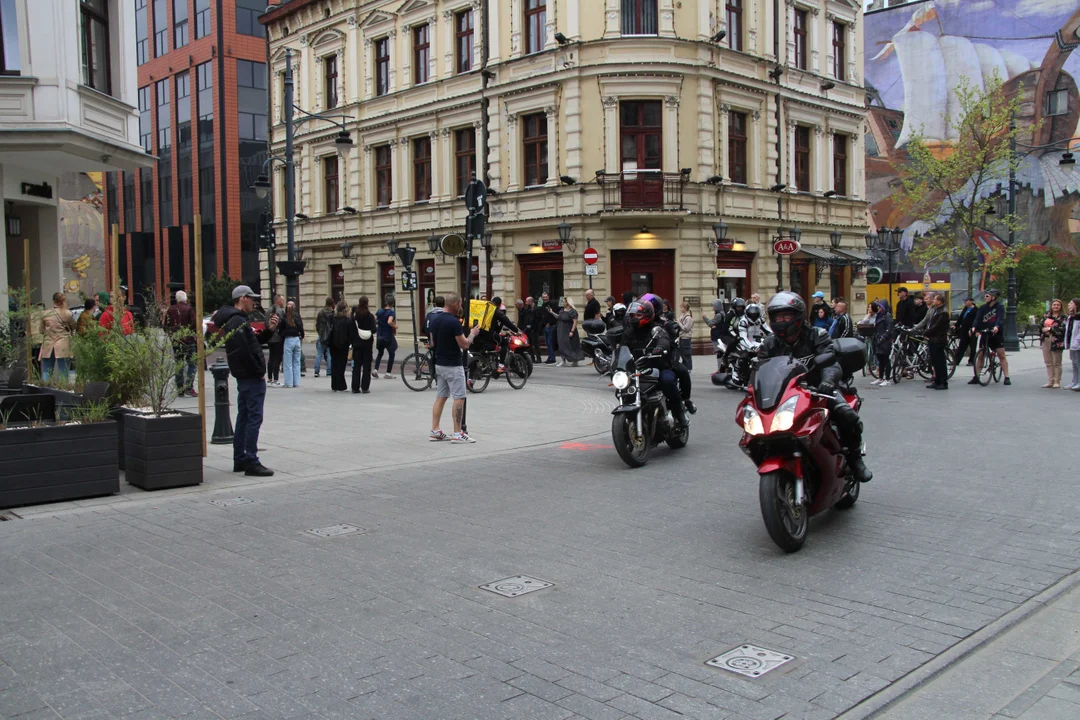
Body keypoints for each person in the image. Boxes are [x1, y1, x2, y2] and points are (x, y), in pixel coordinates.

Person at [759, 292, 872, 484]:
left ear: (798, 316)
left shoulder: (817, 335)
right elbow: (760, 367)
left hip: (818, 390)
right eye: (777, 317)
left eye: (786, 316)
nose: (781, 320)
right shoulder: (770, 343)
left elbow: (831, 362)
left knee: (846, 415)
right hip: (785, 394)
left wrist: (827, 381)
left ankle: (854, 458)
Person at [211, 285, 278, 477]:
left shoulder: (235, 320)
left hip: (244, 376)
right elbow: (244, 351)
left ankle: (240, 458)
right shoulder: (238, 321)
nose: (254, 302)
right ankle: (251, 460)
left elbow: (252, 343)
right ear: (242, 299)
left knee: (244, 416)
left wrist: (268, 330)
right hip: (250, 377)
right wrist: (258, 371)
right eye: (251, 298)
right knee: (253, 418)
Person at [623, 299, 689, 427]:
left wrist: (660, 348)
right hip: (638, 369)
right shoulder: (629, 332)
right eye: (632, 315)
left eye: (638, 315)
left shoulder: (657, 328)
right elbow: (622, 348)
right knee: (623, 388)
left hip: (658, 366)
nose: (634, 318)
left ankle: (679, 413)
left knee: (668, 380)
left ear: (647, 315)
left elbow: (663, 339)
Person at [429, 293, 481, 443]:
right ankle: (458, 433)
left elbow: (432, 342)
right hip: (452, 364)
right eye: (460, 303)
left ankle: (435, 430)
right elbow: (464, 344)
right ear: (455, 304)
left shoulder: (434, 319)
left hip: (439, 363)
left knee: (441, 396)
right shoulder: (453, 322)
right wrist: (472, 334)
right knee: (459, 398)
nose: (461, 306)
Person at [970, 288, 1011, 386]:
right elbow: (977, 318)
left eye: (987, 296)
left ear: (993, 297)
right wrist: (974, 327)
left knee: (1001, 354)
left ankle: (1007, 376)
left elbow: (1000, 318)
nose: (985, 297)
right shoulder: (982, 308)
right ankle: (977, 376)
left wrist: (997, 326)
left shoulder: (999, 307)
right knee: (980, 355)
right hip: (985, 332)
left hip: (996, 333)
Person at [165, 290, 199, 396]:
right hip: (188, 340)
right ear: (185, 299)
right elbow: (195, 324)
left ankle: (180, 388)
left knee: (179, 364)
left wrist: (171, 334)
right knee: (192, 363)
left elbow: (165, 324)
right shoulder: (189, 309)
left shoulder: (170, 310)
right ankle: (189, 387)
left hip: (176, 340)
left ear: (176, 299)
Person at [475, 296, 521, 370]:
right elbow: (507, 322)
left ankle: (488, 364)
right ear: (499, 305)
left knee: (488, 347)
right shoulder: (495, 311)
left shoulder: (485, 309)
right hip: (490, 333)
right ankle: (501, 365)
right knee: (505, 342)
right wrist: (516, 330)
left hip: (479, 332)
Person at [38, 293, 76, 383]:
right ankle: (62, 390)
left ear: (53, 301)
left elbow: (41, 330)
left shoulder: (45, 314)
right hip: (63, 344)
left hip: (48, 344)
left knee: (46, 370)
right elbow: (74, 326)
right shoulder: (67, 313)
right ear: (63, 301)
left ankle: (45, 390)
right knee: (63, 371)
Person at [327, 300, 355, 392]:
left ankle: (334, 385)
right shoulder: (347, 320)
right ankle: (341, 385)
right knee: (341, 365)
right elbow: (351, 333)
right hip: (343, 344)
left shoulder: (332, 318)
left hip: (332, 343)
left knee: (334, 363)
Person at [924, 293, 951, 390]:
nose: (933, 301)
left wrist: (926, 332)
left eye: (935, 299)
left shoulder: (943, 312)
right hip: (933, 339)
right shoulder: (936, 310)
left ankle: (943, 382)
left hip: (938, 339)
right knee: (935, 361)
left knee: (940, 362)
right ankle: (937, 380)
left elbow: (937, 326)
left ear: (939, 301)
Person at [1040, 299, 1067, 389]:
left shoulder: (1063, 317)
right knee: (1048, 362)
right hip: (1046, 340)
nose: (1055, 306)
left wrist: (1049, 329)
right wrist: (1044, 330)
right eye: (1054, 305)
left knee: (1057, 362)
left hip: (1057, 341)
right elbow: (1041, 326)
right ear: (1051, 306)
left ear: (1060, 306)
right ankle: (1050, 381)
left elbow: (1062, 329)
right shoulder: (1046, 315)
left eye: (1058, 305)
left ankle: (1057, 381)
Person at [352, 296, 377, 393]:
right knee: (367, 366)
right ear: (367, 303)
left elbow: (351, 327)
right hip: (367, 343)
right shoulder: (370, 316)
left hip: (357, 343)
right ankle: (365, 387)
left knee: (357, 366)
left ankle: (355, 387)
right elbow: (374, 329)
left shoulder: (355, 315)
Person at [869, 300, 895, 388]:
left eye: (880, 306)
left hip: (885, 341)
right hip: (878, 339)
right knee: (880, 360)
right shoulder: (879, 315)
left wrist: (883, 337)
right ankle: (880, 378)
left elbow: (889, 328)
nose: (878, 308)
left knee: (885, 359)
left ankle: (887, 379)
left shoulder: (887, 316)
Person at [279, 300, 304, 388]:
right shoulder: (297, 316)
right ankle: (296, 382)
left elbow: (280, 330)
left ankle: (289, 383)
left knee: (288, 362)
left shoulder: (284, 317)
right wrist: (302, 336)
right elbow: (301, 327)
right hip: (297, 339)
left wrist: (282, 336)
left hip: (288, 339)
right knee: (296, 362)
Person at [374, 294, 399, 379]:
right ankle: (388, 373)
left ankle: (375, 370)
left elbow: (374, 319)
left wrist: (378, 324)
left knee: (380, 353)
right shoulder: (391, 312)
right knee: (391, 354)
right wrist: (394, 326)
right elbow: (389, 321)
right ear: (393, 303)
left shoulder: (380, 311)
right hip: (387, 336)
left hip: (379, 335)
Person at [555, 297, 584, 367]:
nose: (563, 303)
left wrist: (572, 331)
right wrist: (551, 312)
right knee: (562, 345)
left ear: (567, 303)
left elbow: (575, 322)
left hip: (569, 329)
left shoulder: (573, 311)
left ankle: (575, 360)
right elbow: (558, 317)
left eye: (564, 302)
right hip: (561, 330)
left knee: (572, 345)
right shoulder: (562, 310)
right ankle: (563, 360)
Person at [266, 294, 285, 387]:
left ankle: (269, 379)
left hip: (270, 337)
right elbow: (282, 324)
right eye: (282, 300)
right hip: (277, 338)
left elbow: (266, 324)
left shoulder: (268, 310)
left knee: (271, 358)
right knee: (277, 358)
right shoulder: (280, 311)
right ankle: (276, 379)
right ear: (278, 301)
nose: (283, 302)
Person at [953, 297, 979, 366]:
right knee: (962, 346)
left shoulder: (975, 310)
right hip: (964, 330)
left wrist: (974, 328)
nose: (965, 302)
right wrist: (956, 325)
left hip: (972, 330)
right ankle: (956, 360)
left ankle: (971, 361)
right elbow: (961, 318)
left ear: (971, 301)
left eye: (966, 301)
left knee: (972, 346)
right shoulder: (965, 309)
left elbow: (977, 320)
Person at [314, 297, 334, 378]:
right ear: (332, 304)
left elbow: (317, 324)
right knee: (329, 354)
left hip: (321, 335)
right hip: (330, 335)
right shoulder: (333, 313)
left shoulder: (320, 312)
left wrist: (320, 332)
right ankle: (329, 371)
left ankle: (316, 371)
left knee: (319, 353)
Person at [539, 292, 559, 363]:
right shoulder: (543, 305)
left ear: (548, 297)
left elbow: (555, 315)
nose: (545, 298)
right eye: (543, 297)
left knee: (550, 342)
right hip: (545, 326)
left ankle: (552, 358)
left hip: (551, 326)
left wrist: (550, 323)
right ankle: (550, 357)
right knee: (547, 343)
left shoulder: (552, 304)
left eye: (546, 297)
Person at [1065, 299, 1080, 391]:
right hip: (1072, 343)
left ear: (1076, 305)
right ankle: (1074, 381)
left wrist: (1077, 341)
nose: (1069, 304)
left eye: (1071, 303)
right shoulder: (1071, 316)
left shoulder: (1078, 317)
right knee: (1074, 363)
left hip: (1077, 343)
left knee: (1078, 363)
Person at [521, 297, 540, 362]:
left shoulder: (536, 308)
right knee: (529, 344)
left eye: (527, 301)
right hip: (528, 329)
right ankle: (532, 358)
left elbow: (538, 319)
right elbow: (525, 317)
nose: (526, 303)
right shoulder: (527, 309)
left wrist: (533, 327)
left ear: (531, 301)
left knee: (535, 344)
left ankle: (538, 358)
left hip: (534, 329)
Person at [677, 301, 694, 371]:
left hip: (686, 338)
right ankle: (685, 367)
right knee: (682, 353)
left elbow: (686, 328)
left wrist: (679, 323)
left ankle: (689, 367)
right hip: (681, 337)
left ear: (685, 308)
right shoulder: (682, 316)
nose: (680, 309)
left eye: (681, 307)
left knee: (686, 353)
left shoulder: (688, 318)